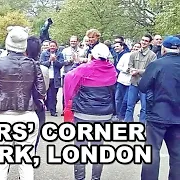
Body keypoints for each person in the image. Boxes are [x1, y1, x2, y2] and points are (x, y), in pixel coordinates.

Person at [0, 26, 46, 180]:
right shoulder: (33, 64)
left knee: (0, 163)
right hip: (27, 114)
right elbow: (41, 92)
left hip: (2, 116)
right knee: (26, 162)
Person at [64, 43, 117, 180]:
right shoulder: (112, 70)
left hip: (83, 114)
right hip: (104, 115)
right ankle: (95, 178)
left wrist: (71, 96)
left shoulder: (84, 69)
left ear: (92, 55)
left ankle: (80, 178)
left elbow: (69, 77)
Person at [139, 36, 180, 180]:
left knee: (152, 152)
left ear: (163, 49)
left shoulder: (157, 64)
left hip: (158, 113)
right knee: (177, 154)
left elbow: (143, 86)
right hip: (178, 116)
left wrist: (152, 94)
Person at [124, 34, 157, 123]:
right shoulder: (133, 54)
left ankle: (142, 124)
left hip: (145, 84)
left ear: (149, 43)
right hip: (134, 82)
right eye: (142, 40)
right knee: (129, 105)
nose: (144, 42)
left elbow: (151, 70)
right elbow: (129, 67)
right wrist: (131, 70)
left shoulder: (152, 55)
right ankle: (127, 123)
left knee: (144, 107)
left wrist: (138, 71)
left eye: (146, 41)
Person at [25, 36, 49, 153]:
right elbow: (43, 91)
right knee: (33, 139)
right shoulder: (43, 69)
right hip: (36, 107)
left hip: (15, 106)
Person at [40, 40, 64, 116]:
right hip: (46, 77)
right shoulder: (44, 54)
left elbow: (61, 65)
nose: (52, 47)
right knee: (45, 95)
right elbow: (42, 64)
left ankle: (52, 110)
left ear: (56, 47)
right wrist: (49, 61)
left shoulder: (60, 54)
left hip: (55, 78)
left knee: (53, 95)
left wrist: (55, 61)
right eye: (51, 46)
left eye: (54, 46)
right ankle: (48, 108)